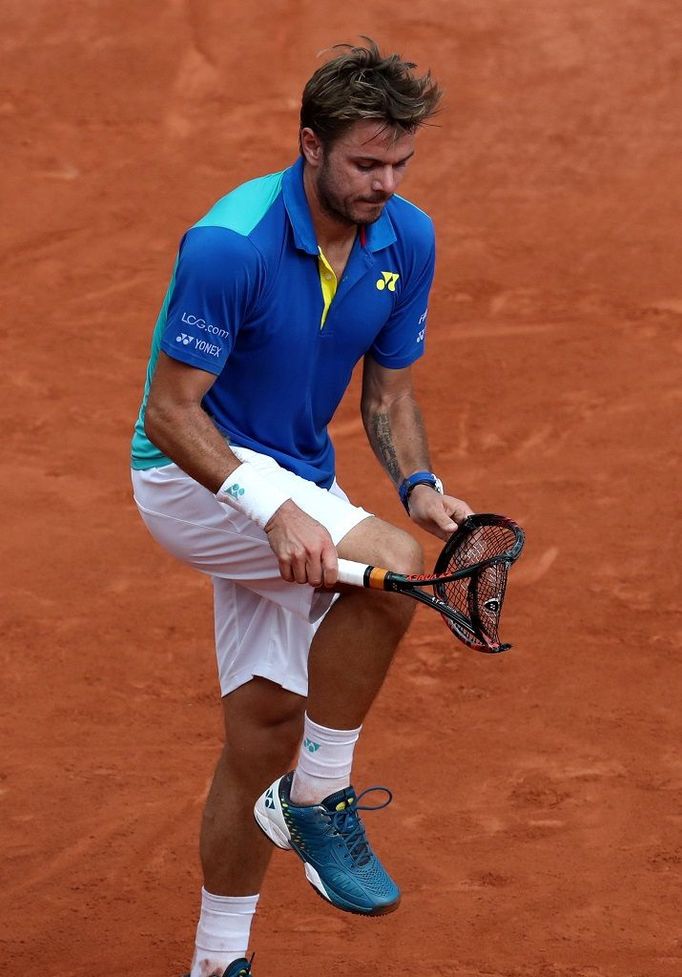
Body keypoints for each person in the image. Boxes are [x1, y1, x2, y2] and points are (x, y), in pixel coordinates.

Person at [131, 39, 474, 977]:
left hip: (296, 481)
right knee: (397, 570)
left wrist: (419, 483)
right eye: (366, 162)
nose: (385, 183)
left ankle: (217, 960)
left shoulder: (409, 238)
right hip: (189, 475)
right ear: (310, 145)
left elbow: (389, 395)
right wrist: (267, 510)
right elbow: (169, 411)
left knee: (262, 732)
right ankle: (318, 797)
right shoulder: (229, 244)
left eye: (400, 162)